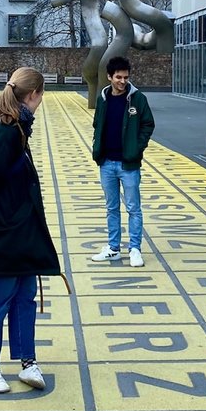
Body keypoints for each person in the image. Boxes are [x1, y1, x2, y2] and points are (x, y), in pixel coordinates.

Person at [0, 66, 63, 394]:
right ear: (33, 95)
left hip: (20, 232)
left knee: (24, 297)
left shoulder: (17, 126)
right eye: (42, 95)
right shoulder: (4, 132)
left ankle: (27, 361)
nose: (41, 101)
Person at [89, 56, 155, 267]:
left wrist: (137, 148)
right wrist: (97, 149)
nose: (122, 81)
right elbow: (97, 124)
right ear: (109, 77)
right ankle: (113, 248)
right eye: (118, 77)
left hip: (129, 164)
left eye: (126, 77)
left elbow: (148, 124)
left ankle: (134, 249)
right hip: (106, 162)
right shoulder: (103, 98)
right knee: (111, 208)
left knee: (133, 208)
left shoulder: (138, 99)